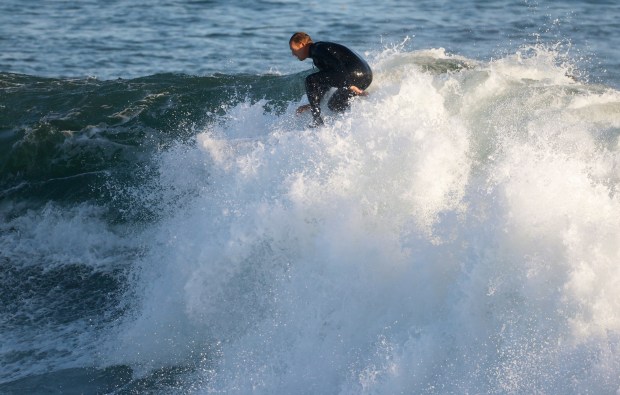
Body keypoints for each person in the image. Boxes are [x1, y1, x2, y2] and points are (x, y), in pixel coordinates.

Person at [289, 32, 373, 127]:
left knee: (310, 80)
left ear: (302, 44)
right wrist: (313, 103)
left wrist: (349, 85)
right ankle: (357, 121)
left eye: (293, 49)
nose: (293, 54)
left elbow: (339, 65)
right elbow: (326, 81)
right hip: (365, 76)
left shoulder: (318, 49)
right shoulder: (317, 55)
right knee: (334, 105)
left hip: (355, 74)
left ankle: (317, 121)